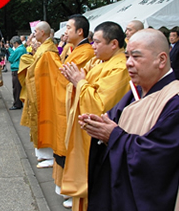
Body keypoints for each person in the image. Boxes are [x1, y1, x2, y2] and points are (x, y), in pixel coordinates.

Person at [80, 29, 179, 211]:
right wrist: (99, 125)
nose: (128, 64)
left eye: (136, 57)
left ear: (162, 60)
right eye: (127, 57)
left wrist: (113, 136)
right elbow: (114, 121)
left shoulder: (174, 100)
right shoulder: (135, 92)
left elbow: (160, 156)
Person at [60, 21, 130, 210]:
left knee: (94, 183)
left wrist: (80, 82)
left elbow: (99, 105)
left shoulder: (120, 67)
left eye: (98, 42)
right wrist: (77, 79)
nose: (93, 46)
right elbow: (83, 75)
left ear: (114, 44)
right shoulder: (101, 60)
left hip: (97, 139)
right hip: (84, 132)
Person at [51, 15, 95, 199]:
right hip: (66, 103)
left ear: (80, 31)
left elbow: (65, 75)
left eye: (69, 28)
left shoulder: (86, 51)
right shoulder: (74, 48)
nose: (65, 31)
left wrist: (49, 57)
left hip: (75, 106)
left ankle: (71, 189)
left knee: (70, 146)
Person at [19, 21, 61, 168]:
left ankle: (49, 156)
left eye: (35, 31)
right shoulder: (43, 48)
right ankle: (43, 154)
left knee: (45, 120)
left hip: (45, 91)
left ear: (42, 32)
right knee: (38, 121)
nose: (33, 34)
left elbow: (54, 73)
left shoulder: (49, 51)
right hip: (38, 89)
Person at [7, 36, 27, 110]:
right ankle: (18, 103)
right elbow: (14, 54)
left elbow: (11, 59)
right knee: (18, 87)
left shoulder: (19, 49)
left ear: (16, 43)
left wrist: (10, 51)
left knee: (16, 88)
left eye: (13, 44)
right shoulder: (21, 49)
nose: (13, 46)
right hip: (19, 69)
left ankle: (17, 104)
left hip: (17, 70)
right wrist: (9, 49)